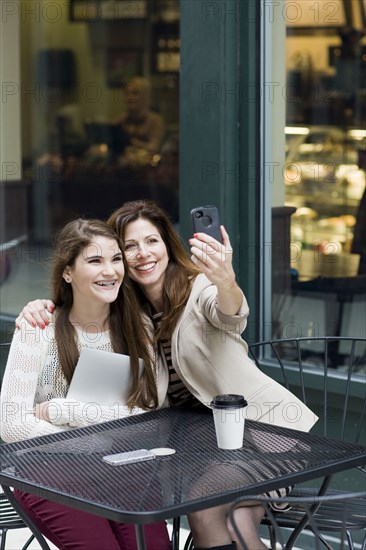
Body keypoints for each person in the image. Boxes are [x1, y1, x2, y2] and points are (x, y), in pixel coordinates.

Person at [16, 201, 318, 550]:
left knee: (204, 509)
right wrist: (41, 306)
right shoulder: (126, 316)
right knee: (235, 524)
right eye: (129, 247)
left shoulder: (198, 288)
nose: (143, 254)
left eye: (152, 241)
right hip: (204, 455)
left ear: (167, 246)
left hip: (268, 440)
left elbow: (229, 313)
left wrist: (226, 281)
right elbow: (82, 296)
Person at [1, 218, 171, 550]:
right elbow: (11, 424)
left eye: (116, 258)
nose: (110, 271)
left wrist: (62, 410)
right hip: (48, 475)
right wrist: (94, 445)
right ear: (67, 271)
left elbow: (143, 413)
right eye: (95, 261)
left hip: (123, 471)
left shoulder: (139, 328)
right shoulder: (39, 328)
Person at [116, 77, 165, 167]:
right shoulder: (122, 119)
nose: (130, 97)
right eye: (127, 93)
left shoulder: (155, 120)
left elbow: (154, 147)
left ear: (145, 96)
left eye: (135, 93)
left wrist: (131, 141)